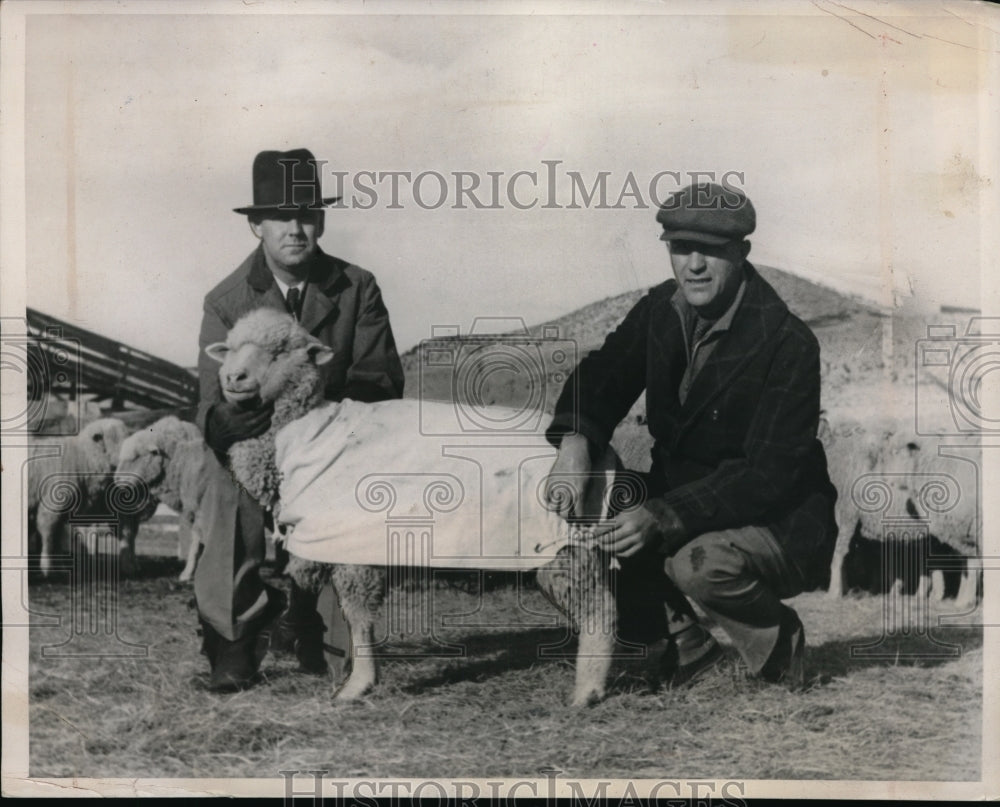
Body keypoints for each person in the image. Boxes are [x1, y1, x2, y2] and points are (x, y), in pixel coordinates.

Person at [543, 181, 838, 690]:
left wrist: (663, 515)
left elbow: (768, 473)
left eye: (712, 250)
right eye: (681, 248)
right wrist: (575, 443)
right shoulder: (661, 309)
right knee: (568, 528)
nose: (694, 264)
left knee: (696, 565)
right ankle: (687, 645)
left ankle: (778, 646)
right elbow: (604, 375)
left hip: (778, 520)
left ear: (741, 253)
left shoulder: (788, 343)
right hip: (684, 502)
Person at [195, 148, 404, 692]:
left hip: (336, 438)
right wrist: (242, 429)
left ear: (322, 222)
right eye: (282, 217)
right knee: (228, 481)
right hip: (258, 437)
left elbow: (379, 380)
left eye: (307, 215)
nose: (295, 228)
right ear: (256, 226)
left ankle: (330, 631)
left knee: (348, 488)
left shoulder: (356, 287)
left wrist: (319, 427)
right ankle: (233, 638)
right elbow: (210, 402)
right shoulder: (226, 301)